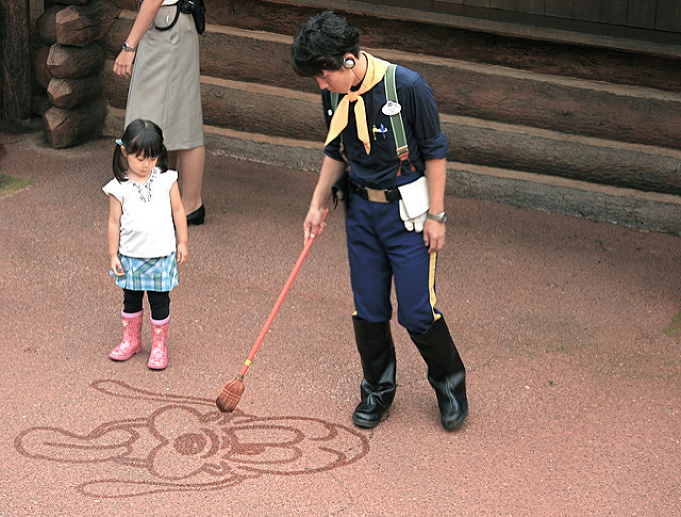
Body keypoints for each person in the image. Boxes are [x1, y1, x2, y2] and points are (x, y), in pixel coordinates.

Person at [292, 11, 468, 431]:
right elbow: (337, 150)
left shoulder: (408, 87)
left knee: (416, 311)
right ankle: (377, 389)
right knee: (369, 308)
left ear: (348, 61)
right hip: (361, 213)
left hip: (408, 214)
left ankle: (449, 384)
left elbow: (436, 152)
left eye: (323, 75)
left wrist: (437, 216)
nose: (320, 84)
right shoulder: (334, 91)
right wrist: (317, 203)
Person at [103, 119, 188, 370]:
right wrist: (112, 254)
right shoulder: (118, 187)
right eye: (140, 158)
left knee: (160, 301)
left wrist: (183, 240)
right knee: (131, 300)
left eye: (152, 158)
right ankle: (132, 340)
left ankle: (159, 346)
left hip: (161, 255)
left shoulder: (167, 179)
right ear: (124, 152)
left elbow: (178, 209)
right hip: (130, 255)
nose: (146, 164)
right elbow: (113, 223)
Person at [113, 0, 206, 225]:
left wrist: (129, 46)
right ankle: (172, 198)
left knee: (177, 118)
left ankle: (191, 204)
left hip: (168, 29)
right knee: (175, 117)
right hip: (172, 26)